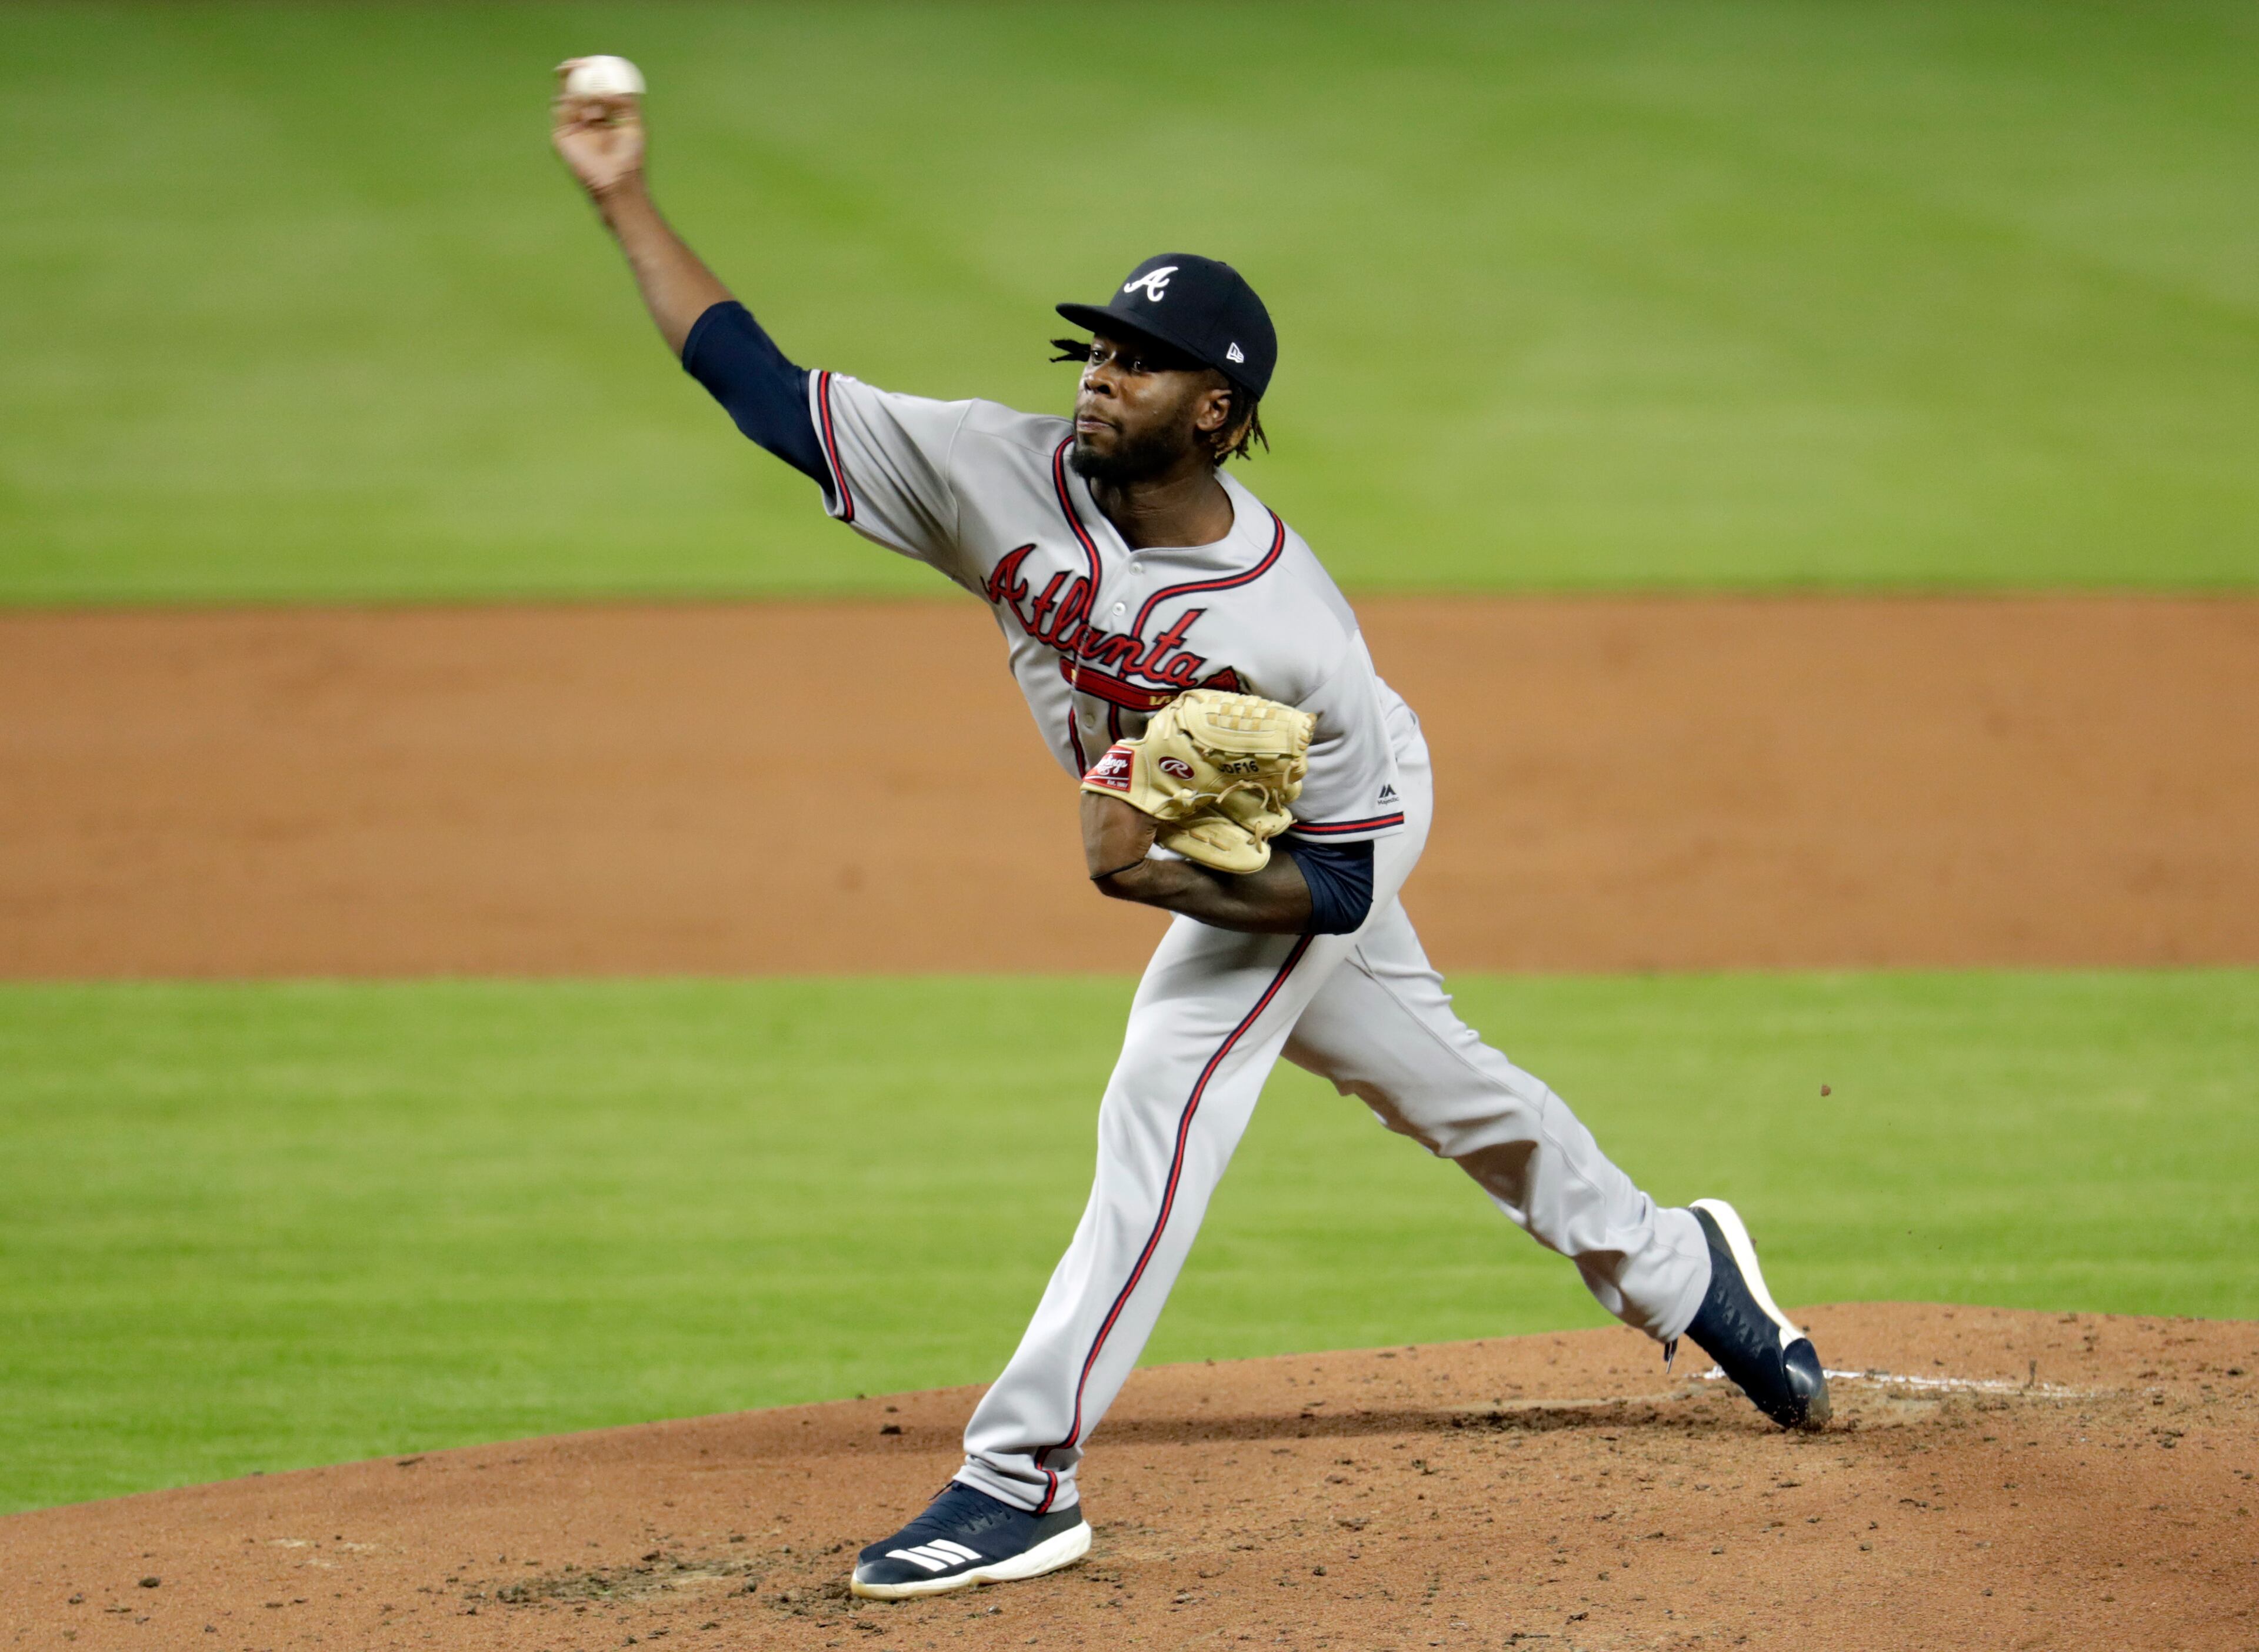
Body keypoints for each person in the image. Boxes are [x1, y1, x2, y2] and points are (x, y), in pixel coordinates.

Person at [551, 65, 1830, 1603]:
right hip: (1227, 794)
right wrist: (622, 197)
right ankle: (1683, 1263)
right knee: (1427, 1075)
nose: (1100, 373)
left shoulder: (1285, 633)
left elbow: (1336, 881)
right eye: (1097, 345)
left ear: (1215, 411)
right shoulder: (993, 469)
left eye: (1142, 361)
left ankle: (1021, 1474)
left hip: (1325, 811)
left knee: (1172, 1077)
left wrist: (1161, 866)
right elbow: (758, 384)